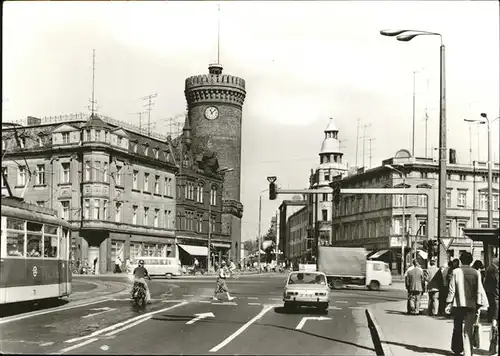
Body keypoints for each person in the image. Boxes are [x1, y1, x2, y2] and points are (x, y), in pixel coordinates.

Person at [446, 252, 489, 356]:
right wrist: (479, 304)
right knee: (468, 330)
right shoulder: (476, 273)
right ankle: (468, 352)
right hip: (471, 305)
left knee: (457, 327)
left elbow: (452, 290)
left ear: (461, 260)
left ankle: (457, 348)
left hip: (458, 304)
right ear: (471, 261)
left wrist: (448, 303)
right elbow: (479, 289)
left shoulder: (456, 272)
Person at [484, 257, 499, 355]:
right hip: (496, 306)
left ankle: (493, 349)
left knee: (494, 328)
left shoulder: (489, 279)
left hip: (494, 306)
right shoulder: (496, 277)